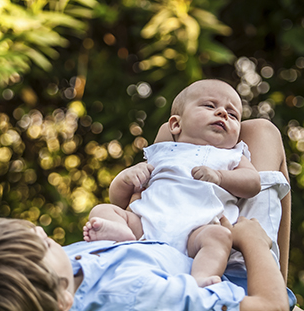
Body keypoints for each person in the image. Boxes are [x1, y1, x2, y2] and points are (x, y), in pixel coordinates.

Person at [0, 118, 304, 311]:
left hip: (171, 240)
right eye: (43, 242)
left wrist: (131, 212)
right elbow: (266, 308)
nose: (44, 232)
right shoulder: (135, 294)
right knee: (262, 133)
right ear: (63, 299)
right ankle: (288, 294)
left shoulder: (60, 271)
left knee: (172, 135)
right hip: (231, 263)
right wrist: (252, 241)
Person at [82, 79, 260, 287]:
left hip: (198, 230)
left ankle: (201, 278)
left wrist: (221, 177)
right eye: (210, 106)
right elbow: (118, 200)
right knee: (102, 210)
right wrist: (127, 177)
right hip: (146, 224)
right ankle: (124, 238)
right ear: (176, 125)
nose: (223, 113)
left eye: (233, 115)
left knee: (220, 236)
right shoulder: (162, 151)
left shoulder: (233, 155)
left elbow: (253, 183)